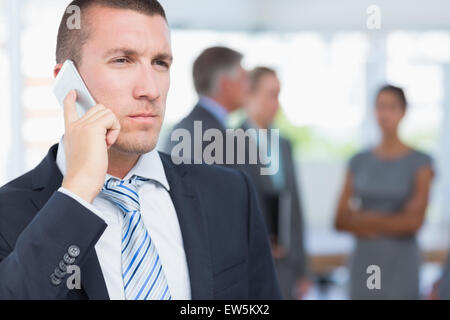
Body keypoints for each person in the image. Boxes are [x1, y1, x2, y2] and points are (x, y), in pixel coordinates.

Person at [0, 0, 281, 300]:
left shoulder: (230, 194)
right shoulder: (7, 216)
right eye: (123, 60)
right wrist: (78, 192)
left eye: (160, 63)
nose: (151, 89)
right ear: (66, 82)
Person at [334, 84, 434, 299]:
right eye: (380, 106)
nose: (385, 114)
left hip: (401, 262)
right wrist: (394, 220)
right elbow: (340, 219)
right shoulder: (358, 161)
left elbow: (413, 222)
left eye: (392, 107)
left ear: (403, 112)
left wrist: (361, 218)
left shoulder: (421, 163)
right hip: (365, 261)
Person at [239, 67, 310, 299]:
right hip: (250, 262)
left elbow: (295, 207)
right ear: (250, 94)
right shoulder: (229, 143)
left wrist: (303, 270)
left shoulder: (284, 145)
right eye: (271, 94)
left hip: (286, 263)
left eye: (278, 95)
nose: (276, 103)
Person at [162, 46, 250, 163]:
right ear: (226, 84)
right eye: (243, 78)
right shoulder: (211, 136)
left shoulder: (186, 128)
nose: (249, 85)